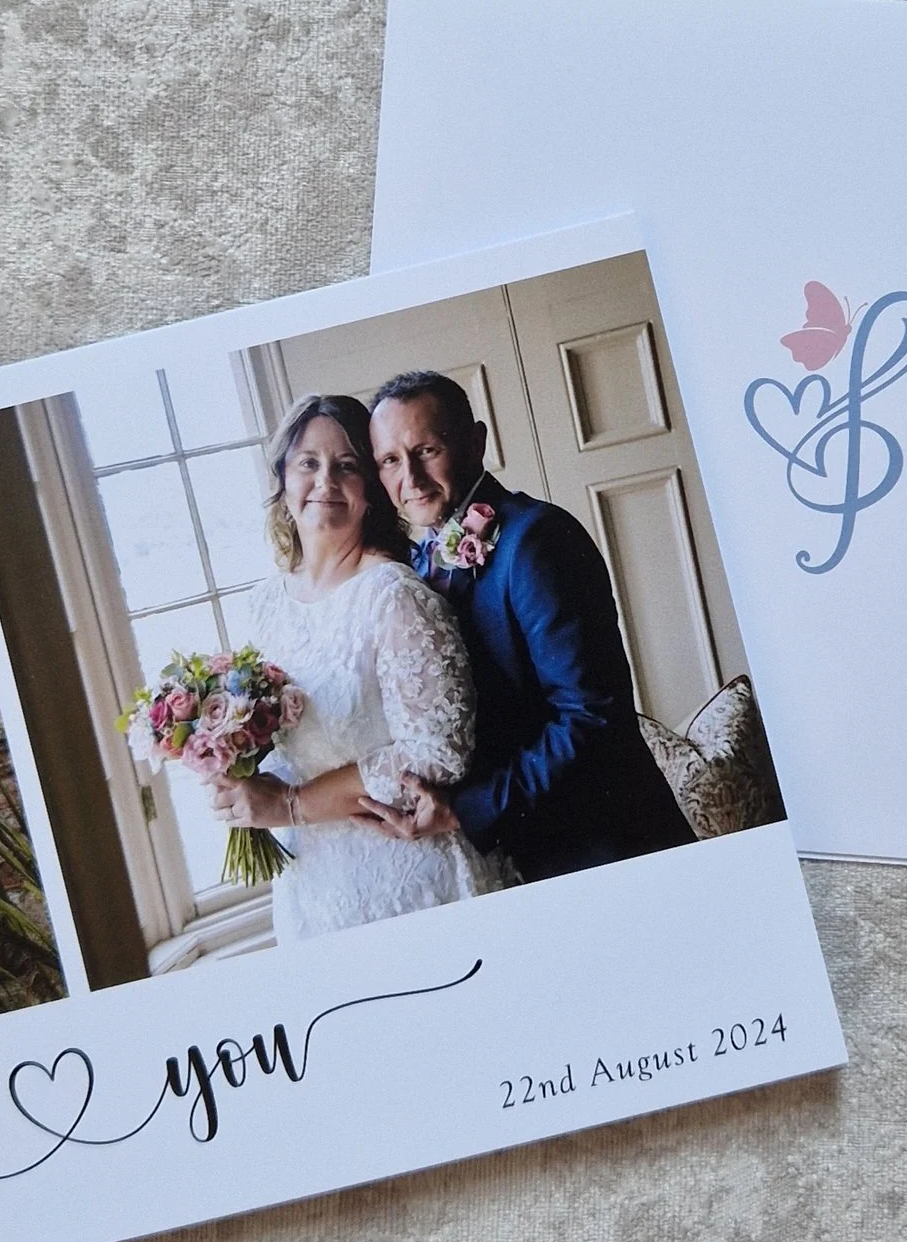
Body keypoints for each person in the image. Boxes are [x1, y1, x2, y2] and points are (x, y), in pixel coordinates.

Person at [366, 371, 695, 883]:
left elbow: (591, 717)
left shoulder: (537, 540)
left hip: (607, 847)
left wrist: (467, 810)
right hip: (517, 859)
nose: (409, 476)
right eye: (390, 460)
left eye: (426, 449)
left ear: (476, 442)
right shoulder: (412, 564)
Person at [206, 394, 501, 942]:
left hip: (408, 878)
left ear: (370, 489)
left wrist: (290, 805)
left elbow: (436, 754)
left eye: (347, 466)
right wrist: (225, 764)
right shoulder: (264, 603)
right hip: (309, 890)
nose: (325, 481)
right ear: (282, 479)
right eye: (308, 464)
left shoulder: (394, 596)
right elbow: (260, 734)